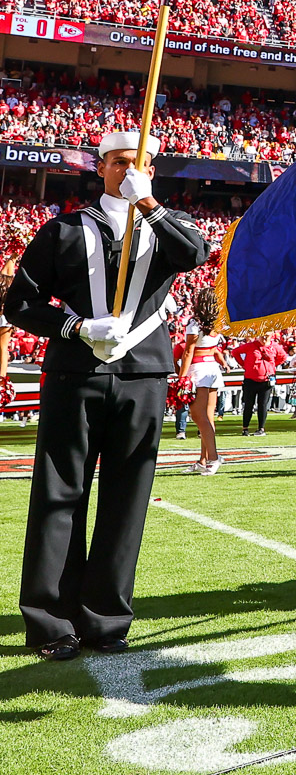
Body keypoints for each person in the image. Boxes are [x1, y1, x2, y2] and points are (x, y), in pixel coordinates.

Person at [8, 130, 209, 660]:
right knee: (59, 495)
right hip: (77, 373)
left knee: (127, 500)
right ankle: (50, 621)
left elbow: (195, 254)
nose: (128, 170)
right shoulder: (64, 230)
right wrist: (76, 326)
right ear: (101, 168)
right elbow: (20, 304)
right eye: (119, 163)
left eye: (139, 163)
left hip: (144, 375)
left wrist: (147, 202)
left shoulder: (167, 228)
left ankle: (106, 621)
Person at [178, 289, 227, 475]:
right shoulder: (218, 322)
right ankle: (203, 459)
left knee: (198, 416)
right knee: (208, 416)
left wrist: (182, 378)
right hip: (212, 369)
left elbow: (188, 351)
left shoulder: (194, 323)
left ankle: (214, 458)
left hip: (199, 370)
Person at [231, 333, 287, 436]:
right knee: (248, 404)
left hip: (266, 380)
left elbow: (283, 357)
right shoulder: (251, 345)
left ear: (271, 336)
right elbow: (235, 352)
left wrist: (272, 366)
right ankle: (245, 428)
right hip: (250, 380)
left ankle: (261, 428)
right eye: (263, 335)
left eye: (267, 335)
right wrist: (244, 364)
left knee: (263, 405)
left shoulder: (275, 346)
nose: (265, 338)